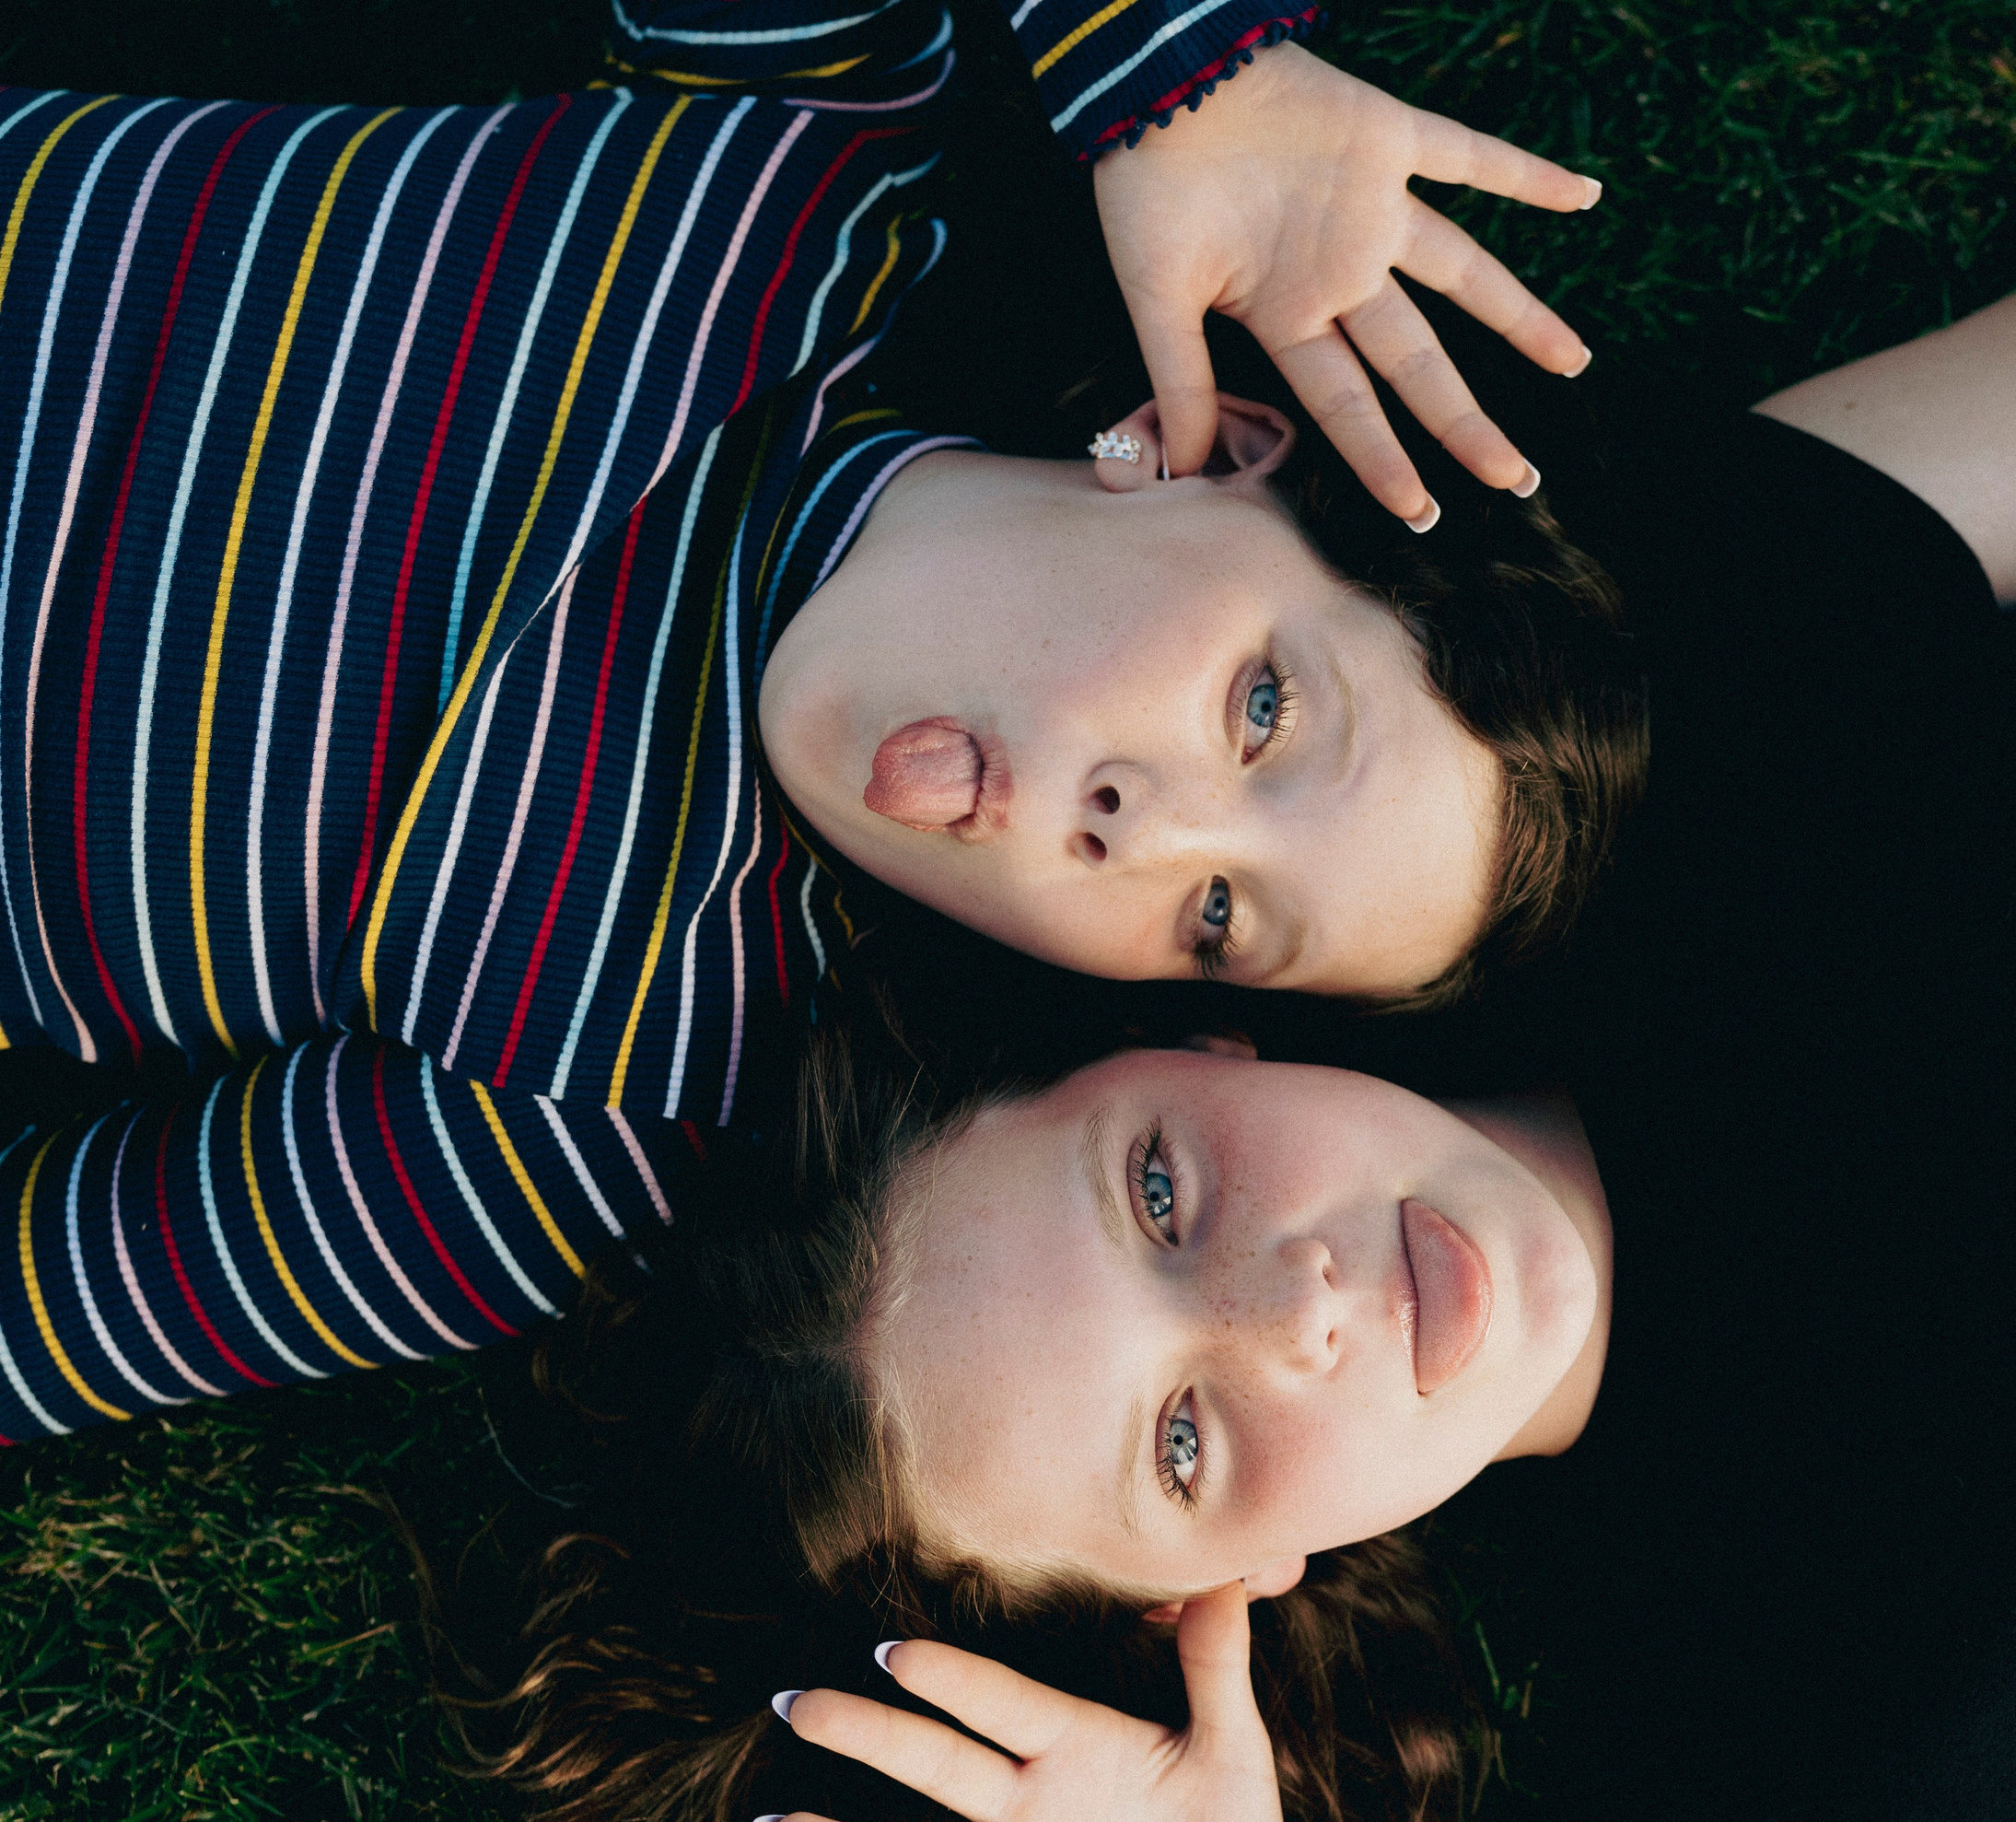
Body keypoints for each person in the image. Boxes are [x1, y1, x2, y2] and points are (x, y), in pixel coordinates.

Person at [482, 64, 2016, 1822]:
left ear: (1182, 1042)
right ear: (1203, 1600)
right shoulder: (1776, 1682)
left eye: (1160, 1191)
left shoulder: (1675, 718)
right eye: (1182, 1443)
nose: (1292, 1306)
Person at [0, 0, 1626, 1442]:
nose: (1141, 827)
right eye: (1262, 709)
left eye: (1216, 918)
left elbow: (61, 1310)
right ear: (1213, 451)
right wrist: (1180, 82)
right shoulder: (801, 169)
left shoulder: (604, 1102)